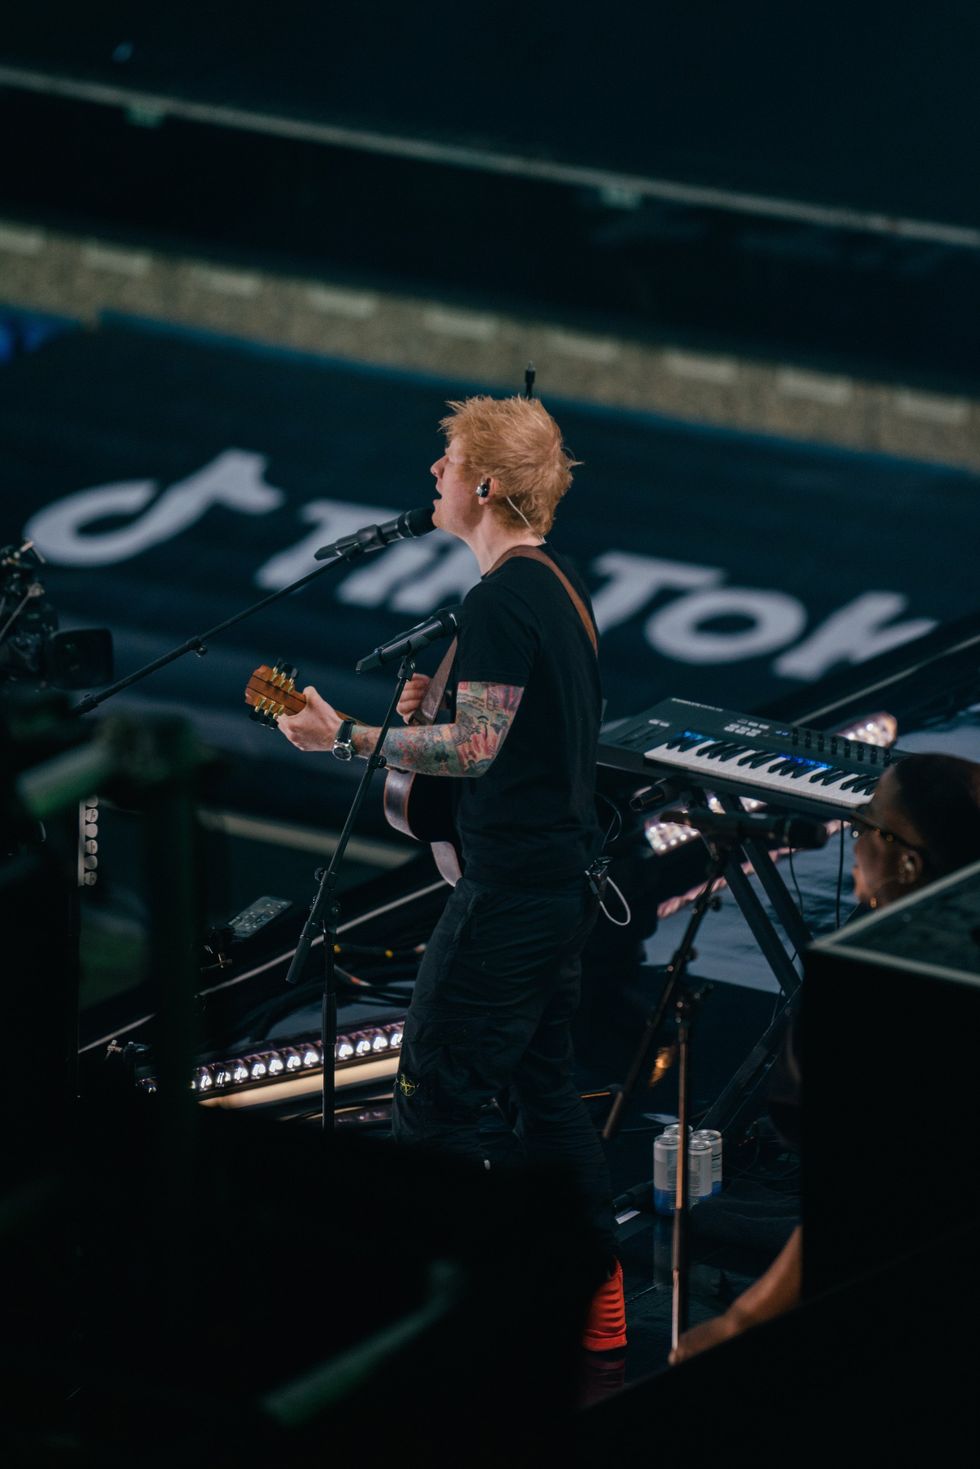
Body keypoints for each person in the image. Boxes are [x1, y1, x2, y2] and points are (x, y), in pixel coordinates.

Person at [279, 394, 625, 1352]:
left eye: (446, 460)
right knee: (546, 1094)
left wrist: (342, 734)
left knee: (434, 1105)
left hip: (508, 891)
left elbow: (472, 748)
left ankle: (464, 1339)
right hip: (556, 886)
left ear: (483, 483)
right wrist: (418, 716)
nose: (431, 474)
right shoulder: (553, 587)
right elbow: (502, 736)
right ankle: (594, 1322)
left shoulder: (499, 597)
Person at [669, 751, 980, 1365]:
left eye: (867, 825)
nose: (856, 837)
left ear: (908, 862)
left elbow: (859, 1195)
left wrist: (741, 1321)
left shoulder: (867, 987)